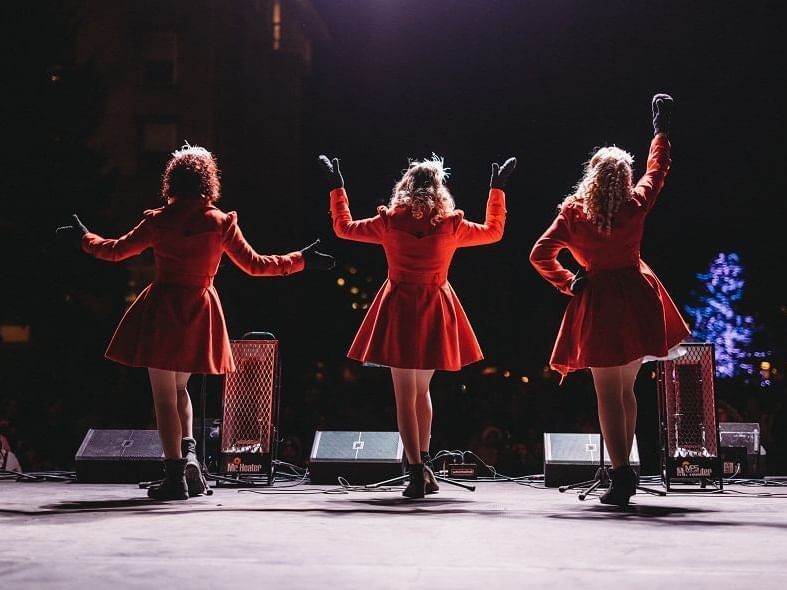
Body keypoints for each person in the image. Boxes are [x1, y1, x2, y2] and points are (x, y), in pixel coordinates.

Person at [57, 144, 335, 500]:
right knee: (178, 390)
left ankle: (174, 475)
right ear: (208, 182)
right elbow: (257, 265)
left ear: (173, 180)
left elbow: (114, 251)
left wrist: (84, 238)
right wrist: (301, 260)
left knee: (163, 396)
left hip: (162, 309)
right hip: (199, 309)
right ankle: (189, 464)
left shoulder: (158, 221)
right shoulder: (219, 223)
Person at [319, 152, 516, 498]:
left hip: (399, 309)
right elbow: (494, 232)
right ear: (438, 189)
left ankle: (415, 473)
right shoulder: (452, 225)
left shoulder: (390, 222)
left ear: (405, 188)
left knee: (404, 397)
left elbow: (342, 228)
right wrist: (496, 190)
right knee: (422, 393)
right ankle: (422, 467)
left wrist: (337, 186)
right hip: (435, 307)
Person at [530, 94, 690, 506]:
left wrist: (568, 281)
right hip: (637, 297)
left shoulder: (572, 213)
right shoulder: (635, 203)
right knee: (627, 390)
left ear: (592, 175)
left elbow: (539, 254)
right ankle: (626, 470)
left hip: (599, 300)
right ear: (623, 177)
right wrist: (660, 131)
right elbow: (658, 169)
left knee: (607, 394)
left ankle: (620, 474)